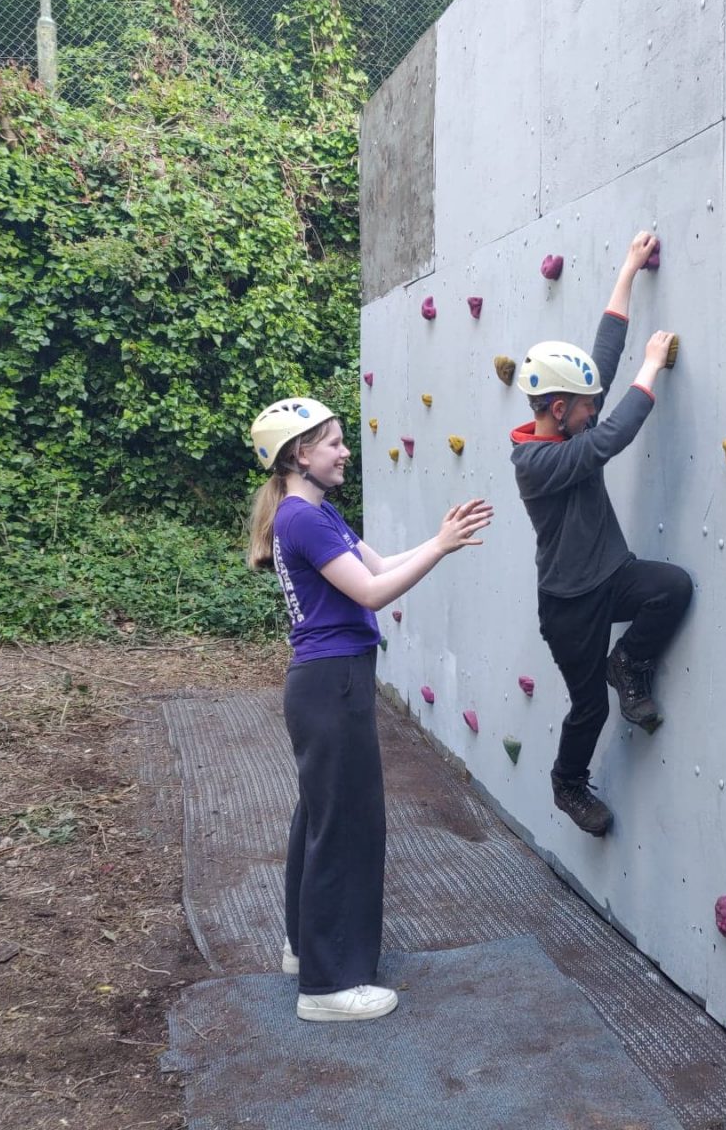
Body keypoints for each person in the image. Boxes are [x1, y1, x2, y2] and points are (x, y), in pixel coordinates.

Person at [246, 396, 492, 1020]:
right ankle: (329, 989)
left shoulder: (317, 514)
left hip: (332, 682)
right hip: (334, 685)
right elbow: (373, 591)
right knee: (346, 828)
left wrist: (440, 543)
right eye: (332, 441)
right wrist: (439, 549)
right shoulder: (302, 521)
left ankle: (307, 950)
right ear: (300, 454)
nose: (344, 450)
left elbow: (381, 564)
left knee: (322, 819)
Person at [509, 231, 693, 837]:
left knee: (672, 587)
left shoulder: (568, 426)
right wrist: (652, 368)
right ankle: (568, 782)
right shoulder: (539, 463)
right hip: (569, 606)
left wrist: (627, 272)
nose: (596, 405)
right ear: (559, 409)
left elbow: (599, 359)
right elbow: (610, 437)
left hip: (612, 576)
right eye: (586, 403)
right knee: (587, 709)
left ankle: (629, 663)